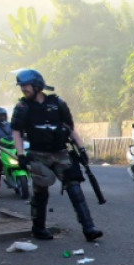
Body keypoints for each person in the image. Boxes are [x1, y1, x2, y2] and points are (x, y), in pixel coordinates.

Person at [10, 69, 102, 241]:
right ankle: (39, 228)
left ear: (37, 85)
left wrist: (81, 149)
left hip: (61, 153)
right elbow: (16, 131)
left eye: (26, 86)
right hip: (38, 154)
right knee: (40, 192)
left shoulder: (58, 103)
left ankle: (89, 228)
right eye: (21, 86)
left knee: (75, 188)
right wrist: (21, 155)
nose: (23, 89)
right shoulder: (22, 108)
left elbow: (69, 128)